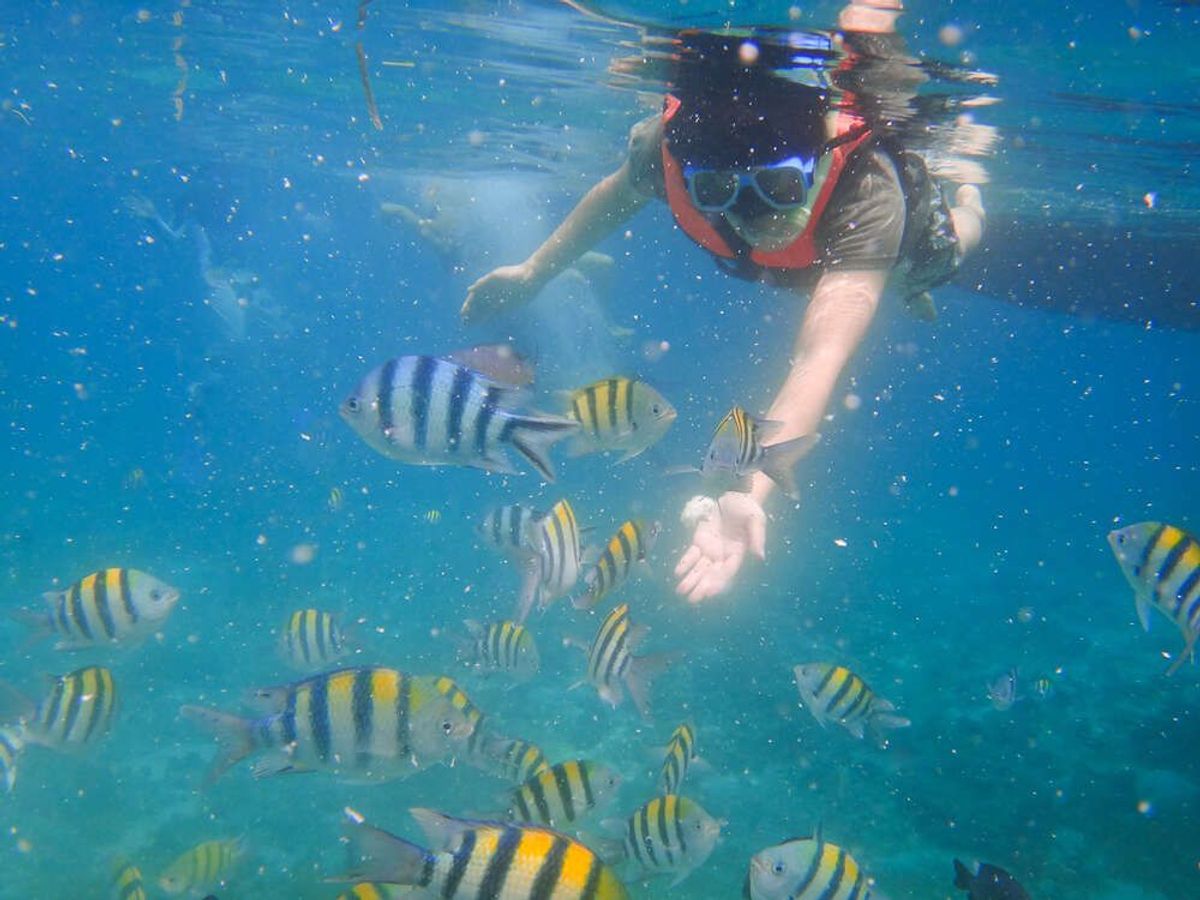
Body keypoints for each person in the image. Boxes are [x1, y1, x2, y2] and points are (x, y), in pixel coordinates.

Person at [460, 0, 987, 604]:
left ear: (815, 170)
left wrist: (751, 487)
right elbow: (616, 194)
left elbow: (820, 355)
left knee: (936, 261)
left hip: (887, 246)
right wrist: (533, 273)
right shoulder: (672, 155)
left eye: (781, 187)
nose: (749, 213)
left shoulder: (866, 193)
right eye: (713, 190)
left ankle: (970, 202)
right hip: (790, 266)